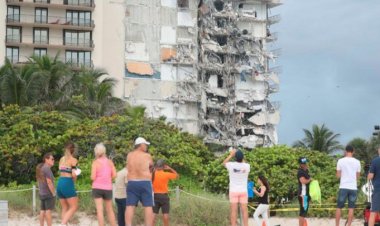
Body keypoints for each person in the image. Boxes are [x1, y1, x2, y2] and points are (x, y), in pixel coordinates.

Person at [125, 137, 154, 226]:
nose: (146, 147)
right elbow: (152, 167)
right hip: (145, 182)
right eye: (145, 145)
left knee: (130, 205)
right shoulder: (147, 156)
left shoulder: (129, 155)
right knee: (148, 206)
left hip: (132, 182)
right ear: (141, 145)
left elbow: (128, 167)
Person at [91, 143, 117, 226]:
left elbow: (92, 177)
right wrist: (108, 179)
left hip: (97, 187)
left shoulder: (95, 163)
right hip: (108, 188)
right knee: (110, 210)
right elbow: (115, 175)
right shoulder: (110, 162)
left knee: (100, 210)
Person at [223, 148, 250, 226]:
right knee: (244, 211)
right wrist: (240, 155)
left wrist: (231, 155)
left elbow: (224, 163)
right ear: (242, 157)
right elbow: (243, 162)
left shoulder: (231, 165)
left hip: (233, 191)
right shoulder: (247, 166)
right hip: (243, 191)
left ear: (235, 157)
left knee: (233, 211)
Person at [335, 145, 361, 226]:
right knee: (351, 208)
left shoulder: (340, 161)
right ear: (353, 151)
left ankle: (337, 225)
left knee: (339, 207)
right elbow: (358, 176)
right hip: (353, 187)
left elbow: (338, 175)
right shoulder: (357, 162)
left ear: (345, 151)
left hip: (343, 186)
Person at [57, 142, 79, 226]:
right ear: (73, 150)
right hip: (67, 182)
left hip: (60, 182)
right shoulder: (74, 160)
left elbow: (61, 171)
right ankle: (62, 224)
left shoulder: (62, 159)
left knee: (65, 207)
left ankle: (64, 223)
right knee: (74, 207)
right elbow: (73, 174)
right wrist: (74, 180)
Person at [152, 159, 178, 226]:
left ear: (156, 166)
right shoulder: (166, 174)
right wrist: (170, 168)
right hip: (164, 196)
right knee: (165, 215)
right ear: (163, 166)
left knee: (153, 214)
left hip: (155, 196)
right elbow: (177, 175)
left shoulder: (153, 174)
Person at [36, 153, 56, 226]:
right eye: (52, 159)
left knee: (42, 211)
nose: (53, 160)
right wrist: (53, 193)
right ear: (46, 160)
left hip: (42, 193)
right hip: (48, 193)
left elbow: (39, 181)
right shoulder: (47, 168)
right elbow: (49, 182)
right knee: (48, 211)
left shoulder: (41, 168)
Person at [368, 147, 380, 226]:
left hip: (378, 189)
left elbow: (370, 176)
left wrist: (368, 175)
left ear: (379, 150)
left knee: (373, 212)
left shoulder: (375, 161)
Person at [297, 157, 311, 226]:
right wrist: (310, 180)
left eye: (305, 162)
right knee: (302, 213)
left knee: (303, 212)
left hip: (306, 194)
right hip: (303, 195)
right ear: (300, 164)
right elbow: (303, 181)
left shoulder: (305, 171)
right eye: (303, 163)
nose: (305, 164)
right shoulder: (300, 172)